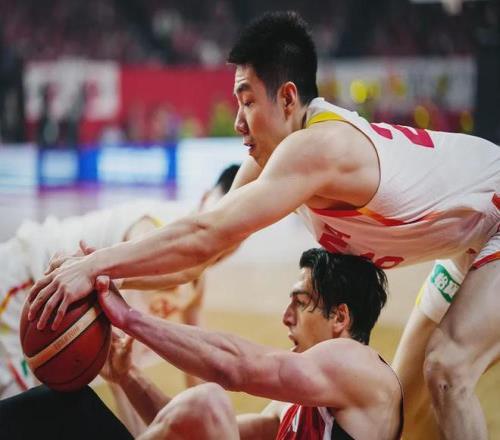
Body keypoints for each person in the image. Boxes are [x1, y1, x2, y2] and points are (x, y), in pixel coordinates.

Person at [29, 11, 500, 440]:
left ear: (288, 98)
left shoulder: (320, 147)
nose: (238, 121)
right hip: (468, 240)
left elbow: (204, 238)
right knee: (414, 413)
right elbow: (198, 256)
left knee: (447, 369)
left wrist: (94, 267)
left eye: (247, 101)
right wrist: (105, 282)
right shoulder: (274, 158)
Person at [1, 249, 403, 439]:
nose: (286, 316)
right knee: (65, 406)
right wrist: (127, 377)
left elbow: (235, 367)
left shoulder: (360, 366)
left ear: (340, 318)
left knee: (208, 400)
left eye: (300, 302)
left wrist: (129, 318)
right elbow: (188, 429)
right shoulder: (295, 409)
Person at [0, 164, 240, 399]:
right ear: (205, 196)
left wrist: (204, 407)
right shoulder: (160, 224)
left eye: (234, 236)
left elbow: (197, 357)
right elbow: (141, 245)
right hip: (22, 283)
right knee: (22, 412)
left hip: (52, 310)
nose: (224, 243)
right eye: (219, 224)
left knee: (42, 408)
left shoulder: (194, 280)